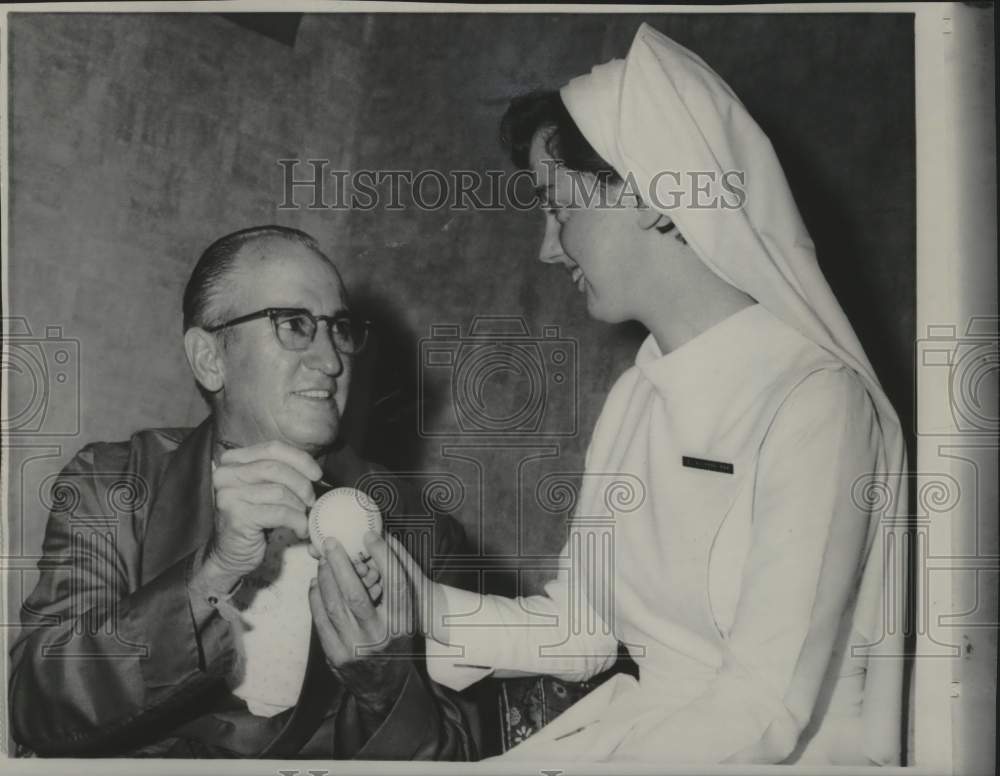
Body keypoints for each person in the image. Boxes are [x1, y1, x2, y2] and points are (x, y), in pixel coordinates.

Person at [395, 24, 908, 765]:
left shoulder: (818, 403)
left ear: (654, 196)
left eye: (559, 207)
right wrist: (417, 609)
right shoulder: (639, 392)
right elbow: (581, 626)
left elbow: (764, 706)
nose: (547, 246)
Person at [8, 225, 477, 759]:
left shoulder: (422, 530)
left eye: (340, 328)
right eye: (294, 324)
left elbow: (463, 757)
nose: (331, 360)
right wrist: (208, 576)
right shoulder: (113, 486)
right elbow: (33, 707)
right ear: (210, 358)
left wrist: (386, 686)